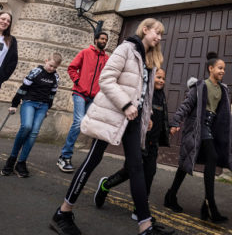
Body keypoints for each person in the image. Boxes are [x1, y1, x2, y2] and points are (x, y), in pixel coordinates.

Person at [50, 18, 174, 235]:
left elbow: (144, 93)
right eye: (157, 32)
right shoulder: (126, 49)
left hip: (133, 120)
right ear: (145, 30)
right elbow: (106, 79)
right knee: (92, 160)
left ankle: (145, 226)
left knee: (136, 167)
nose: (159, 37)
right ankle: (63, 211)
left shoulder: (150, 59)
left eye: (161, 35)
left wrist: (146, 116)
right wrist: (125, 104)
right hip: (113, 115)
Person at [164, 52, 232, 223]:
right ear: (211, 68)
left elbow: (226, 114)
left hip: (211, 128)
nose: (223, 71)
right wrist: (175, 121)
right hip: (196, 128)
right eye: (220, 68)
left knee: (186, 164)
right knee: (209, 158)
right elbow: (186, 105)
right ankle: (209, 205)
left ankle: (171, 195)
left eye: (224, 69)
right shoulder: (199, 87)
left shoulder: (222, 89)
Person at [94, 68, 171, 221]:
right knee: (129, 171)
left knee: (149, 173)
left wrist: (169, 129)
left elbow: (163, 118)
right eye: (158, 77)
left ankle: (139, 209)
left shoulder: (161, 96)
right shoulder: (144, 96)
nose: (161, 81)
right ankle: (105, 185)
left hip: (153, 143)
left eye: (163, 78)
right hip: (140, 141)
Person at [1, 52, 62, 178]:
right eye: (51, 65)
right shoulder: (36, 72)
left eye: (55, 67)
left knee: (34, 133)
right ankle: (11, 159)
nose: (52, 69)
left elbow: (51, 95)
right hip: (29, 102)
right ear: (46, 60)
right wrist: (14, 104)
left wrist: (47, 108)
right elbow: (23, 88)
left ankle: (21, 163)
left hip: (42, 106)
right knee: (26, 127)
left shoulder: (55, 77)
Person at [57, 32, 109, 173]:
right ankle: (65, 156)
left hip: (94, 97)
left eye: (106, 39)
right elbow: (72, 68)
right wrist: (78, 81)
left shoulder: (107, 59)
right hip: (80, 93)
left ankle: (65, 155)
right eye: (102, 39)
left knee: (85, 124)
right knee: (79, 121)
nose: (104, 41)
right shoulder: (85, 52)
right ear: (96, 40)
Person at [0, 11, 18, 88]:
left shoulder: (11, 40)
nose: (5, 22)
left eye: (8, 21)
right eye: (3, 19)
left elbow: (13, 61)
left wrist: (2, 76)